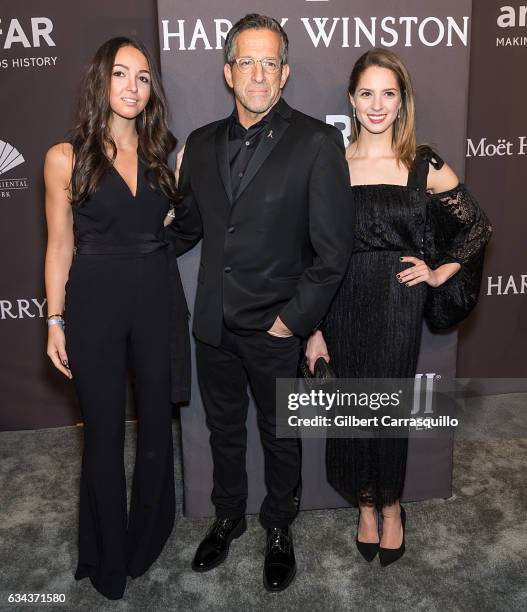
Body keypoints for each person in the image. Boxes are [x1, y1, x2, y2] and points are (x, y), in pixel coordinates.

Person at [166, 14, 352, 591]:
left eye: (269, 62)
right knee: (223, 429)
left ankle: (278, 528)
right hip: (214, 324)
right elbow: (189, 228)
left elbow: (333, 250)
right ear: (228, 72)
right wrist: (129, 233)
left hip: (274, 327)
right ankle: (227, 518)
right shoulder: (198, 145)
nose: (258, 73)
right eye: (246, 61)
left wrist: (291, 322)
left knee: (279, 435)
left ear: (285, 72)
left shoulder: (317, 142)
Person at [306, 48, 492, 567]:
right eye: (367, 93)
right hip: (342, 299)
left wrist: (438, 271)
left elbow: (476, 226)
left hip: (396, 301)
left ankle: (390, 506)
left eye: (389, 93)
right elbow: (317, 252)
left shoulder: (421, 164)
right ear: (351, 99)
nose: (378, 104)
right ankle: (364, 503)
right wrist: (315, 329)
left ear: (402, 99)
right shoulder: (333, 164)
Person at [44, 37, 190, 599]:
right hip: (95, 304)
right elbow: (59, 247)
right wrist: (54, 320)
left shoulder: (166, 153)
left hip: (157, 297)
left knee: (157, 428)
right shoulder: (66, 157)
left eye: (144, 77)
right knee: (103, 435)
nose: (133, 87)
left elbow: (177, 222)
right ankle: (105, 553)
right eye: (122, 75)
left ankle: (146, 538)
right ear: (100, 81)